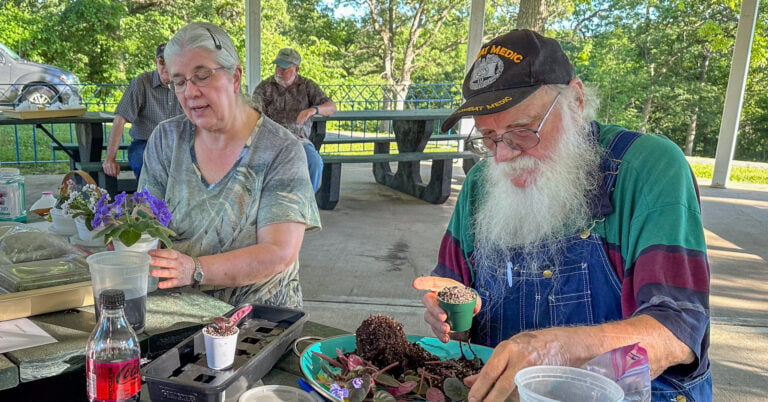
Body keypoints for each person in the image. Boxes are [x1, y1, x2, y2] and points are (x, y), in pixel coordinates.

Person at [412, 29, 711, 401]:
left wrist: (551, 350)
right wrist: (451, 317)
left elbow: (678, 331)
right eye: (488, 137)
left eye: (521, 131)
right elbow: (452, 294)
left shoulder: (647, 167)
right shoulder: (479, 185)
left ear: (576, 100)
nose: (503, 156)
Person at [138, 22, 321, 309]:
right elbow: (146, 218)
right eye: (179, 81)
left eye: (202, 76)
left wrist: (193, 269)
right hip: (177, 308)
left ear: (235, 78)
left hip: (259, 320)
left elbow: (278, 252)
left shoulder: (281, 149)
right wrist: (128, 240)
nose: (190, 92)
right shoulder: (166, 138)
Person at [252, 48, 337, 192]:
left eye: (285, 68)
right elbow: (253, 112)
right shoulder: (265, 87)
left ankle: (307, 202)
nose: (279, 71)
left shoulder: (307, 86)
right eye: (278, 66)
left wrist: (313, 109)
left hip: (298, 141)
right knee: (253, 165)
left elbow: (332, 107)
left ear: (296, 69)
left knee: (314, 163)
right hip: (271, 139)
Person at [103, 43, 184, 180]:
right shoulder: (142, 82)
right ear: (156, 62)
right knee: (143, 163)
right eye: (162, 61)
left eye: (171, 60)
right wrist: (110, 159)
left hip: (179, 143)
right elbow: (120, 119)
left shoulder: (187, 84)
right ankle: (149, 200)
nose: (166, 67)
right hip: (146, 142)